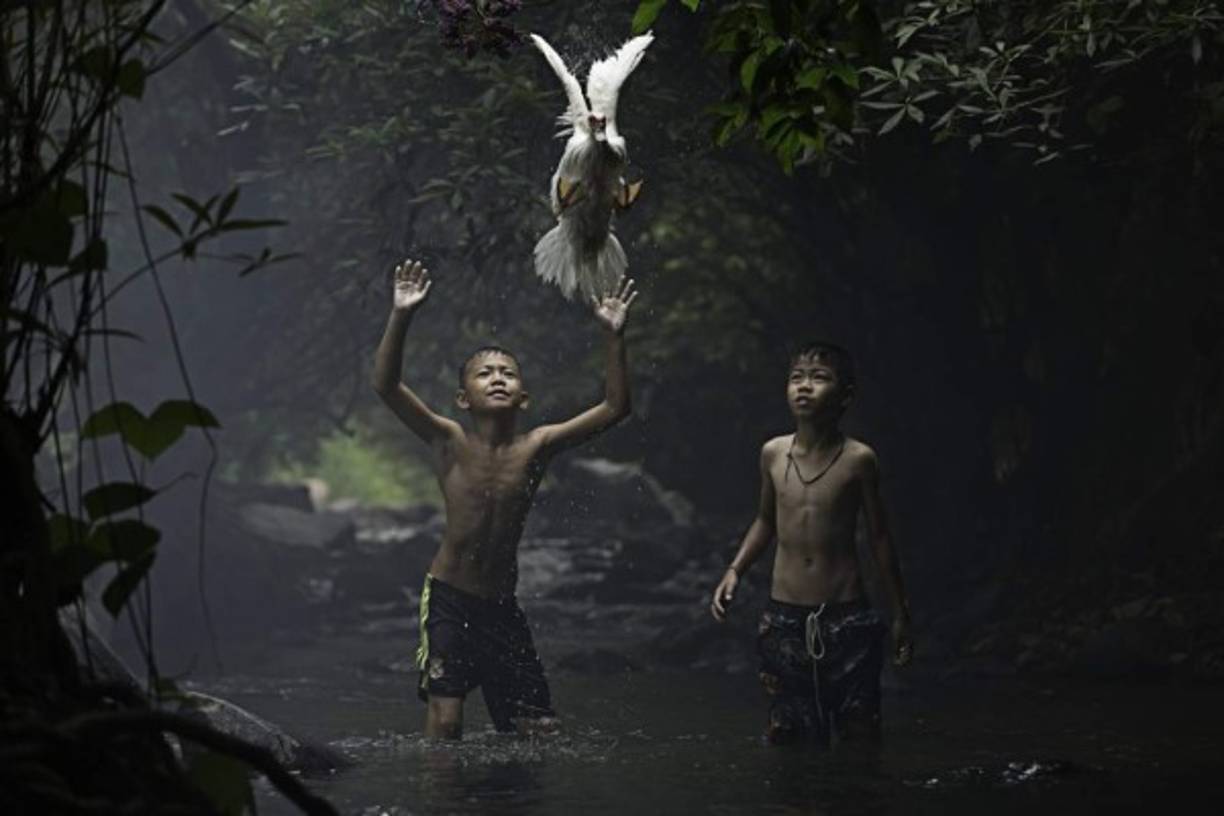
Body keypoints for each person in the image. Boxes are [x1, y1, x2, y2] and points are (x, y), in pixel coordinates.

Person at [372, 259, 638, 738]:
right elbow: (386, 386)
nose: (497, 378)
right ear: (462, 399)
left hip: (501, 606)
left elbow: (616, 408)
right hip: (450, 598)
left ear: (524, 397)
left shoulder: (537, 446)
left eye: (508, 374)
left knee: (537, 732)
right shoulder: (448, 441)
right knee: (446, 719)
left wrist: (613, 335)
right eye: (484, 373)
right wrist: (402, 314)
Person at [709, 342, 913, 747]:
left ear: (845, 395)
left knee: (859, 734)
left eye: (819, 378)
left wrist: (900, 614)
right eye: (796, 378)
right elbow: (766, 520)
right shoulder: (772, 453)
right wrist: (735, 570)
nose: (804, 387)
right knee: (788, 736)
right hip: (783, 617)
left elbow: (879, 537)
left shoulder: (859, 460)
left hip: (846, 618)